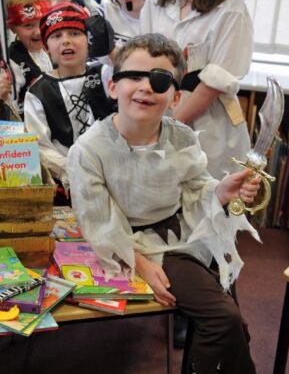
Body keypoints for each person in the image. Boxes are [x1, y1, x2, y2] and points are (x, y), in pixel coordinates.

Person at [67, 33, 261, 373]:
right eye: (133, 77)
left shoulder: (181, 135)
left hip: (191, 232)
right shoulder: (88, 151)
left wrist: (221, 192)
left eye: (159, 80)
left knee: (233, 328)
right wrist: (140, 262)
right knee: (223, 320)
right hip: (148, 246)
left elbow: (196, 186)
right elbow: (99, 222)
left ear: (175, 98)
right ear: (113, 86)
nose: (145, 88)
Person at [140, 0, 272, 179]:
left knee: (205, 201)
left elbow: (213, 83)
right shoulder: (156, 3)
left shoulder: (232, 11)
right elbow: (142, 62)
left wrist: (170, 126)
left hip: (207, 129)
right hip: (157, 114)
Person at [23, 3, 114, 192]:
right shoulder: (39, 91)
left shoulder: (104, 74)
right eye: (56, 36)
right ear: (46, 46)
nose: (66, 41)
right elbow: (40, 144)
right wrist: (73, 169)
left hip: (113, 170)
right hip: (69, 178)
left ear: (88, 39)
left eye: (74, 33)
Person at [5, 0, 55, 113]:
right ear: (13, 28)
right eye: (28, 25)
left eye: (42, 23)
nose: (38, 31)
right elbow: (11, 107)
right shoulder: (13, 62)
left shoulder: (47, 50)